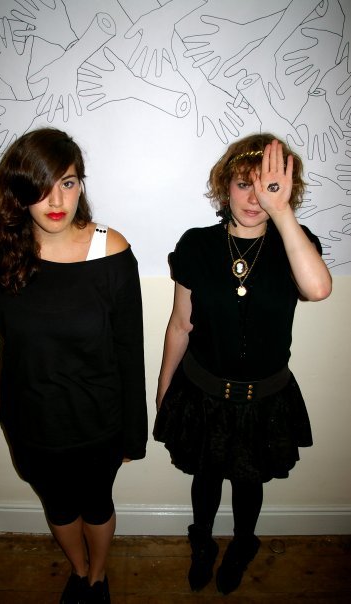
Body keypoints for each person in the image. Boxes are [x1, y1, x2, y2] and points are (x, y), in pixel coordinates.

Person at [0, 127, 148, 604]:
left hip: (97, 423)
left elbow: (130, 351)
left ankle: (98, 577)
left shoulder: (112, 251)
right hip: (30, 421)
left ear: (81, 185)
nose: (57, 200)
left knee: (96, 507)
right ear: (20, 191)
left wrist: (133, 435)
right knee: (58, 508)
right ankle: (78, 573)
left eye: (68, 182)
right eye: (42, 186)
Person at [154, 133, 332, 595]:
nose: (255, 199)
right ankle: (202, 542)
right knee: (205, 478)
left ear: (286, 191)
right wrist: (164, 387)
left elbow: (317, 289)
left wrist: (282, 212)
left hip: (264, 398)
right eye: (243, 184)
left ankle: (243, 543)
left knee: (249, 482)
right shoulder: (196, 244)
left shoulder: (295, 243)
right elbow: (180, 324)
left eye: (268, 187)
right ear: (224, 187)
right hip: (202, 392)